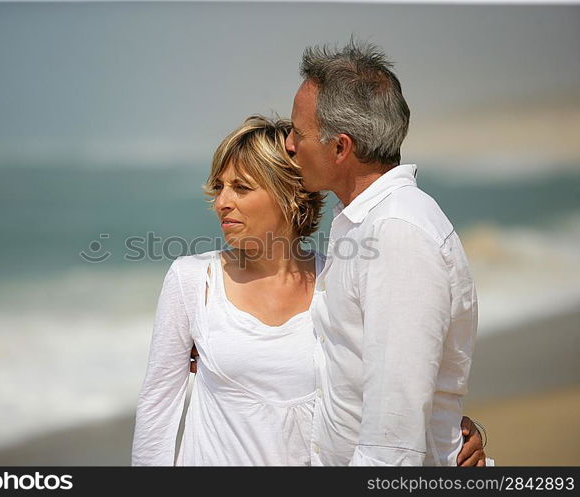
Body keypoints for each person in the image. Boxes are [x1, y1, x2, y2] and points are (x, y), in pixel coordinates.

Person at [131, 115, 485, 466]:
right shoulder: (194, 280)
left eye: (241, 188)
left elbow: (390, 379)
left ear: (288, 194)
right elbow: (157, 408)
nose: (222, 202)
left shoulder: (335, 278)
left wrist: (454, 437)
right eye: (219, 187)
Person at [284, 40, 486, 466]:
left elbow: (393, 434)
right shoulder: (365, 222)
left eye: (297, 133)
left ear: (340, 148)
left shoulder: (397, 233)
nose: (288, 144)